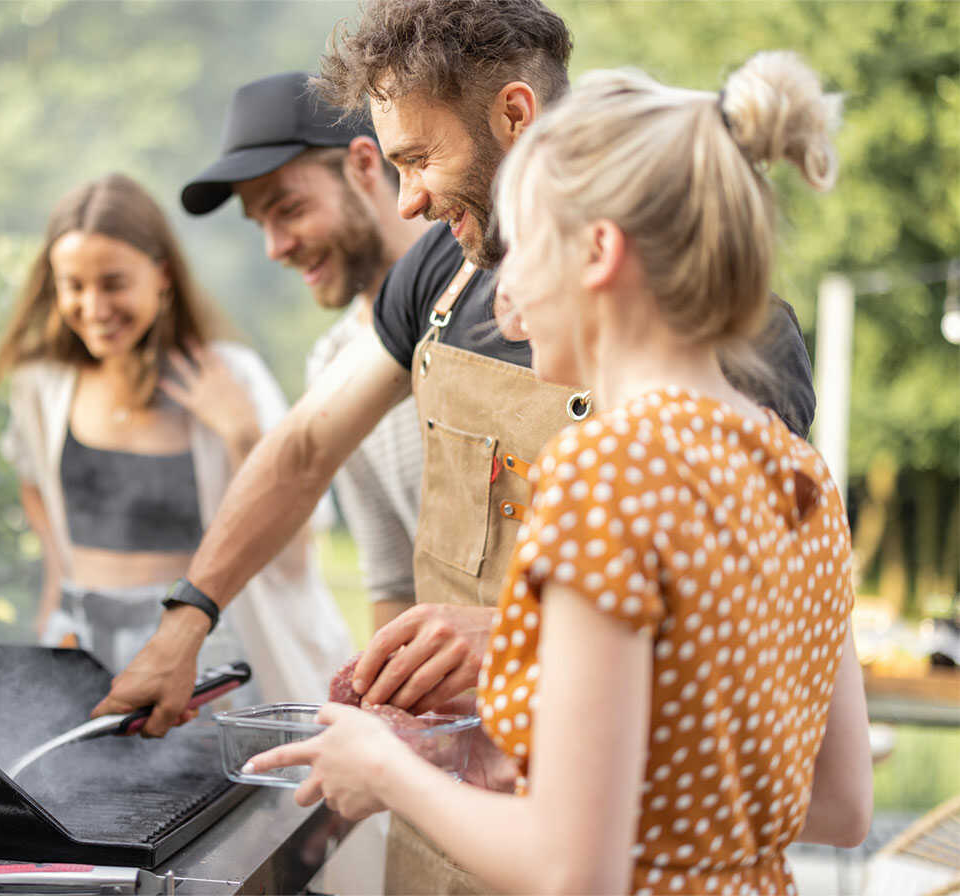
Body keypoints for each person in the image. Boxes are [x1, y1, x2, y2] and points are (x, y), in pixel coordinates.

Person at [247, 50, 874, 895]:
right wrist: (502, 759)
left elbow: (573, 869)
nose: (503, 300)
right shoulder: (797, 475)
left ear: (598, 254)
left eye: (522, 250)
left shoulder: (605, 472)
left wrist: (389, 775)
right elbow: (839, 806)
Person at [0, 173, 351, 703]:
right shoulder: (42, 385)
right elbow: (34, 484)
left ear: (161, 275)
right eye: (74, 285)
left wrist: (242, 432)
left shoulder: (231, 375)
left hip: (198, 646)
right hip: (78, 641)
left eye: (113, 283)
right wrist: (54, 587)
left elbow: (299, 532)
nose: (93, 307)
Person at [181, 71, 430, 633]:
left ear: (365, 165)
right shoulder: (331, 362)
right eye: (260, 224)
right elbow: (394, 582)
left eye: (288, 209)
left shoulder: (492, 298)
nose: (275, 248)